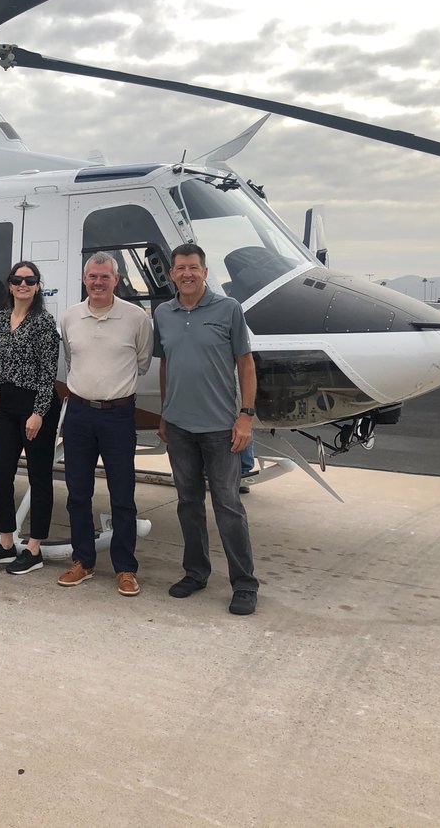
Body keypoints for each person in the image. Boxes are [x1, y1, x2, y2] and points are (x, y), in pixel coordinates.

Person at [154, 242, 260, 616]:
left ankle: (244, 584)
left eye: (193, 267)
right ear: (172, 274)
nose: (187, 274)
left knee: (228, 505)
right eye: (180, 268)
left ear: (204, 271)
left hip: (220, 428)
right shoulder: (163, 313)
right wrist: (164, 413)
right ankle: (196, 573)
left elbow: (245, 363)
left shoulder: (228, 309)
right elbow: (166, 364)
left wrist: (245, 416)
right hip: (179, 426)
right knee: (188, 503)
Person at [57, 252, 152, 597]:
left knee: (122, 495)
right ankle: (83, 561)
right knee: (77, 493)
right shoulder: (70, 317)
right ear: (85, 279)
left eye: (105, 277)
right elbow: (71, 359)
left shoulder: (136, 318)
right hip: (79, 414)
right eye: (93, 277)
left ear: (116, 280)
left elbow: (142, 362)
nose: (98, 283)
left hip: (118, 415)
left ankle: (125, 568)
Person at [0, 261, 61, 575]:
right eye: (17, 279)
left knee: (39, 477)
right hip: (8, 403)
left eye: (30, 280)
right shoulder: (0, 319)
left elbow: (49, 372)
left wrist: (38, 412)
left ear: (37, 286)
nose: (23, 284)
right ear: (10, 285)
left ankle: (34, 548)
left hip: (37, 405)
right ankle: (7, 543)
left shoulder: (44, 322)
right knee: (0, 476)